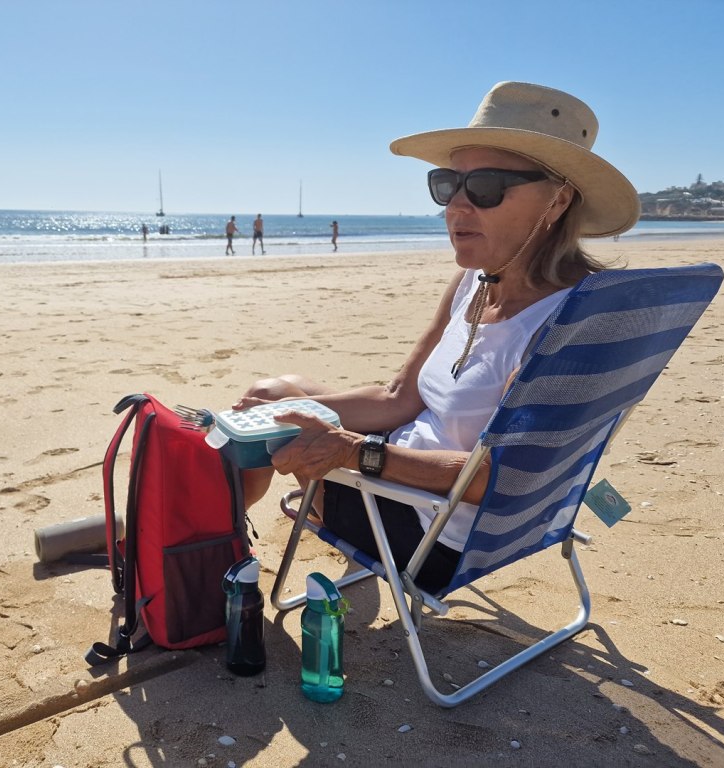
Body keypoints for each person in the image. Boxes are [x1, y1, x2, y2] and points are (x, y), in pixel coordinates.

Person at [234, 82, 640, 593]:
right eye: (448, 184)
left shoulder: (567, 325)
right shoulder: (477, 278)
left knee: (277, 427)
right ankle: (224, 534)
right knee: (273, 397)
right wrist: (280, 413)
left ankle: (219, 549)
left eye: (486, 186)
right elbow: (398, 398)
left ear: (557, 200)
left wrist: (352, 453)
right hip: (404, 470)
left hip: (431, 532)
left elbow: (495, 479)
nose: (456, 206)